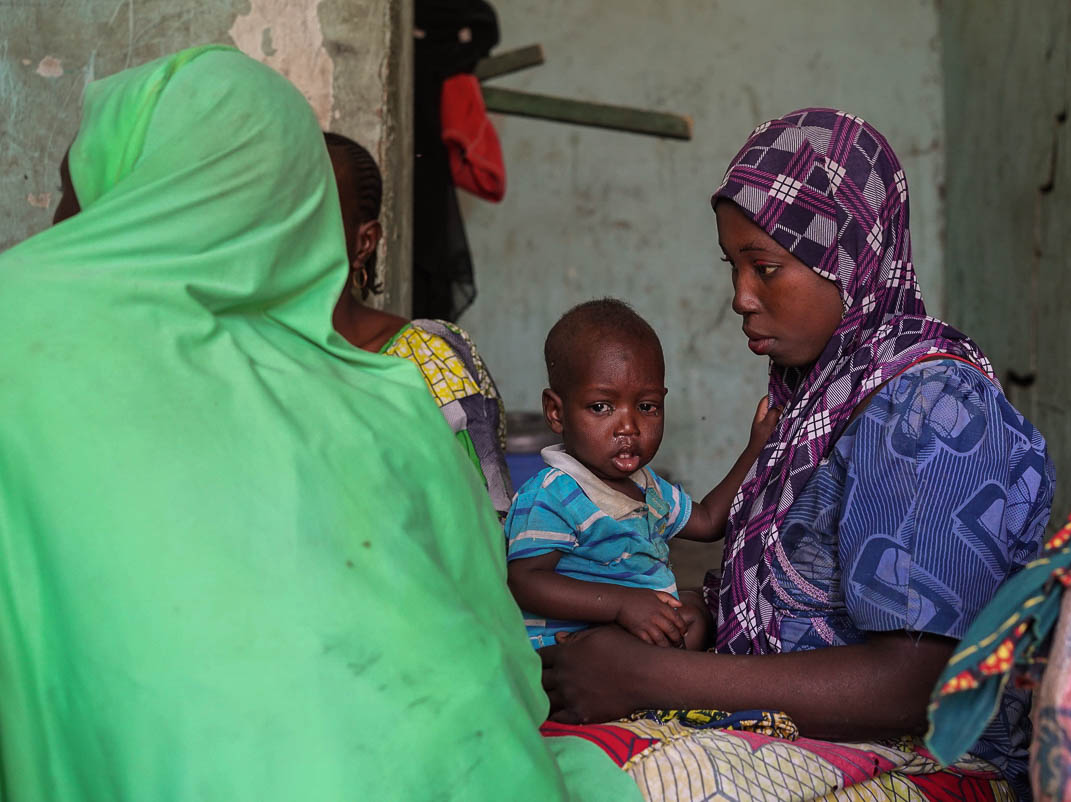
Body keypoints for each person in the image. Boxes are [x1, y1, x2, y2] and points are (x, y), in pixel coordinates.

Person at [0, 46, 638, 802]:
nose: (59, 228)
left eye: (79, 198)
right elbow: (503, 671)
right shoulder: (391, 401)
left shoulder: (23, 331)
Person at [539, 109, 1055, 800]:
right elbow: (793, 598)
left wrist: (649, 676)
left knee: (631, 785)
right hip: (814, 734)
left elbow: (914, 684)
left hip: (935, 764)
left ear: (847, 258)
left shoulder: (930, 405)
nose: (740, 298)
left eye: (766, 268)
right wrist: (693, 615)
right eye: (733, 267)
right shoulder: (820, 397)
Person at [505, 299, 778, 650]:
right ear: (556, 412)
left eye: (647, 407)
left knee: (697, 610)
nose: (629, 427)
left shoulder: (646, 487)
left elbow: (710, 521)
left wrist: (756, 447)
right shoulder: (552, 494)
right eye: (601, 407)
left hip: (630, 634)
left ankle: (661, 672)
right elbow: (525, 582)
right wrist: (622, 604)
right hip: (572, 645)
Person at [324, 131, 513, 518]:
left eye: (312, 212)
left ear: (363, 243)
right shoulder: (235, 350)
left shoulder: (423, 360)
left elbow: (480, 520)